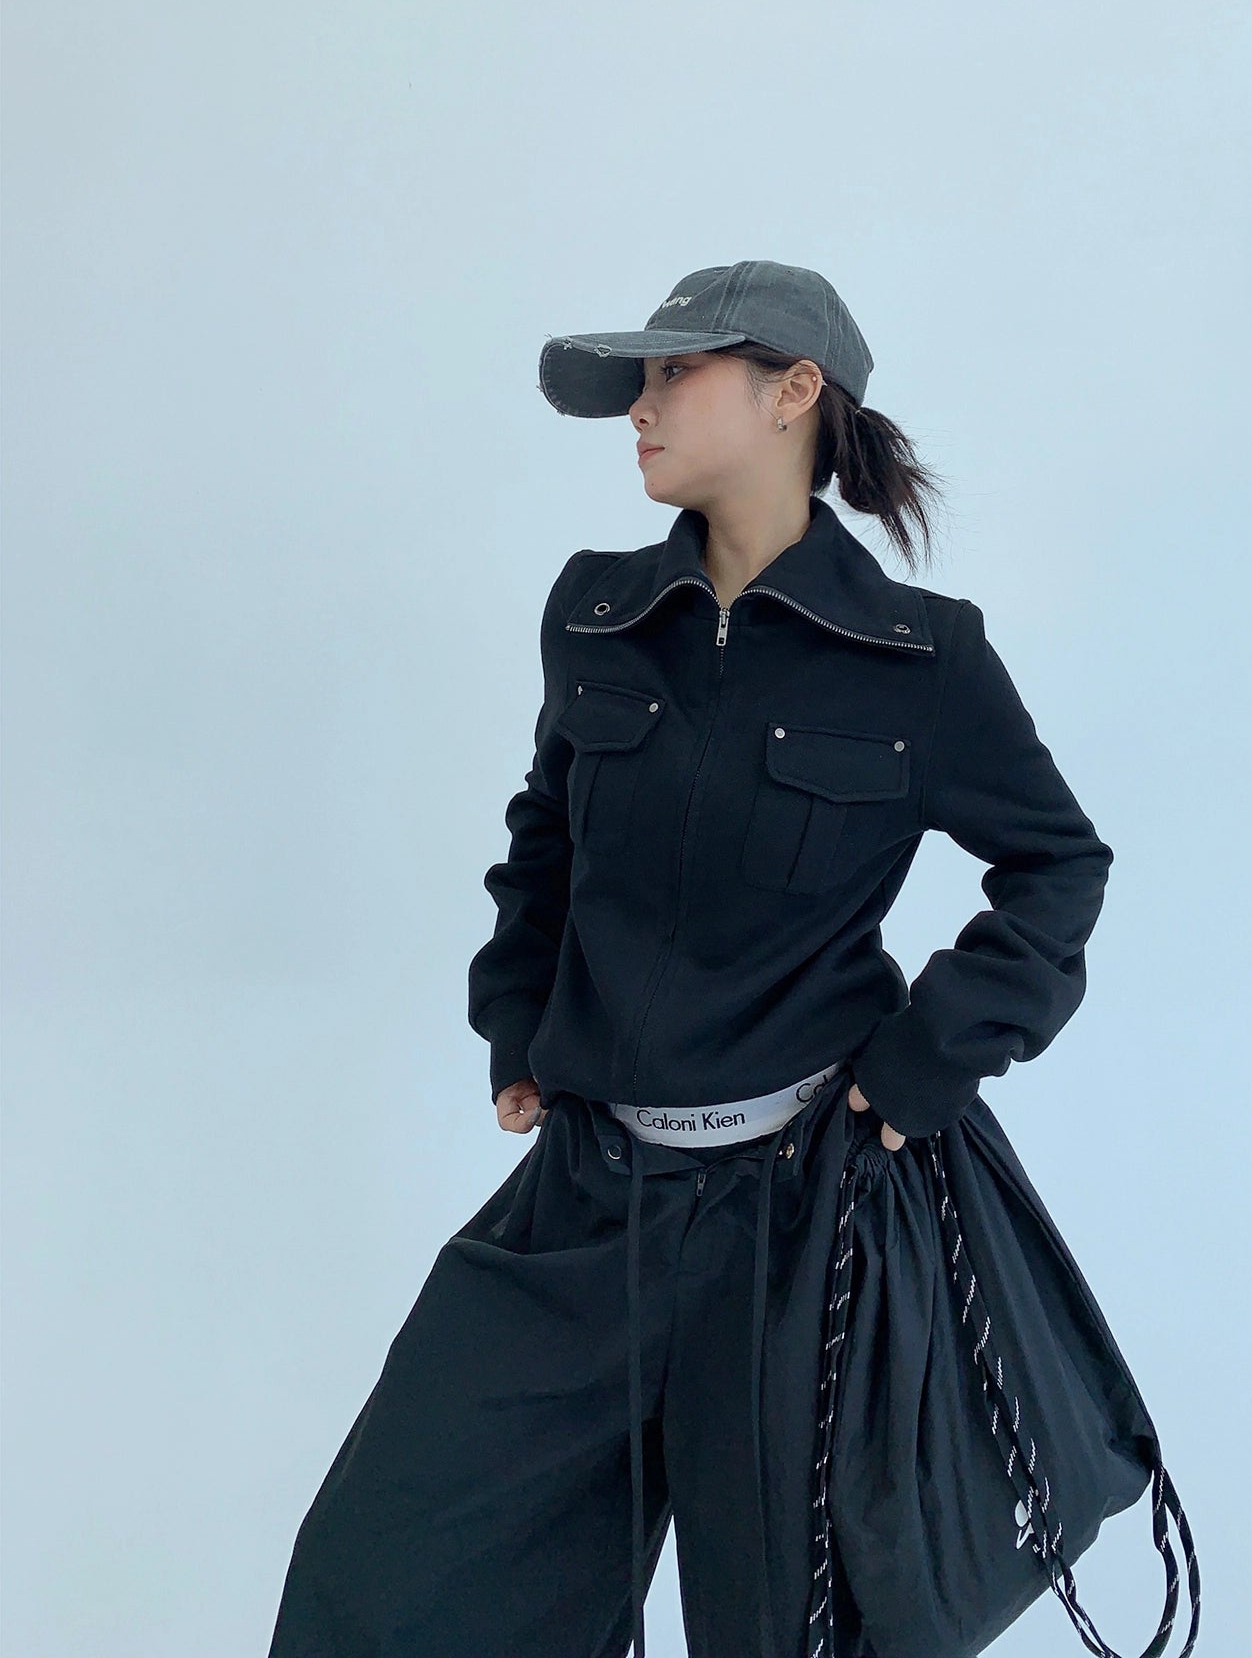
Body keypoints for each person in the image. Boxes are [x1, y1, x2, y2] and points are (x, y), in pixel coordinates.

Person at [266, 260, 1127, 1658]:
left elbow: (1059, 868)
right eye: (641, 380)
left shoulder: (921, 661)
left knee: (781, 1631)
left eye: (675, 373)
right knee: (387, 1580)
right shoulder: (596, 617)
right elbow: (545, 836)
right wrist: (516, 1017)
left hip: (803, 1222)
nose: (641, 408)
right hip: (587, 1201)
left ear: (794, 394)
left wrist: (929, 1058)